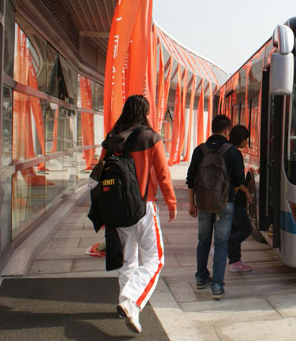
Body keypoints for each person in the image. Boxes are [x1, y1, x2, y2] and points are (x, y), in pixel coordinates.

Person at [102, 95, 177, 333]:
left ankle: (125, 304)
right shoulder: (150, 137)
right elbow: (163, 173)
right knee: (155, 260)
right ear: (144, 112)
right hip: (144, 206)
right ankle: (131, 301)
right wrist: (171, 202)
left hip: (117, 209)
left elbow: (100, 173)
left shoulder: (112, 137)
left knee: (128, 260)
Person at [187, 115, 245, 300]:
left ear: (212, 129)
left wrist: (191, 203)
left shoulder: (200, 150)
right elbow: (239, 181)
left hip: (203, 202)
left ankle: (201, 277)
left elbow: (191, 179)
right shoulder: (232, 152)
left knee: (203, 241)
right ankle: (217, 286)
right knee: (221, 244)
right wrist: (228, 195)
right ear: (227, 130)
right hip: (224, 203)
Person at [227, 125, 254, 272]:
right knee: (246, 229)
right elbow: (237, 180)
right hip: (235, 199)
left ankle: (235, 262)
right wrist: (247, 193)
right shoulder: (235, 154)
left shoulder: (227, 151)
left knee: (235, 229)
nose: (246, 142)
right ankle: (222, 247)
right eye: (245, 139)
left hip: (229, 197)